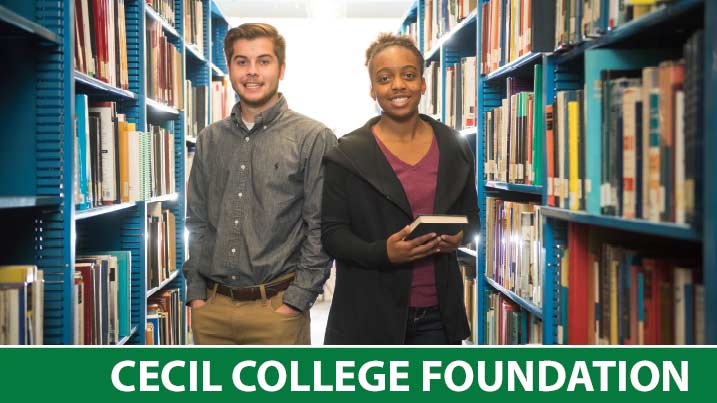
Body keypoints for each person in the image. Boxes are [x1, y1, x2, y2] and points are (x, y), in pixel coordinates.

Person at [183, 23, 337, 345]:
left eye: (263, 61)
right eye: (242, 61)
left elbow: (320, 228)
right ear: (229, 68)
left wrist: (297, 300)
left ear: (281, 69)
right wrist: (196, 294)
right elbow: (197, 221)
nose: (252, 72)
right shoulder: (210, 139)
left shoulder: (313, 138)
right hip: (212, 313)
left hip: (277, 312)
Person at [321, 33, 480, 345]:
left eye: (408, 75)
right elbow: (332, 235)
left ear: (422, 83)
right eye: (385, 78)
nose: (397, 85)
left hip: (437, 315)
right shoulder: (346, 154)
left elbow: (471, 218)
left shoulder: (454, 145)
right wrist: (384, 252)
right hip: (367, 314)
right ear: (372, 89)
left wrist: (459, 237)